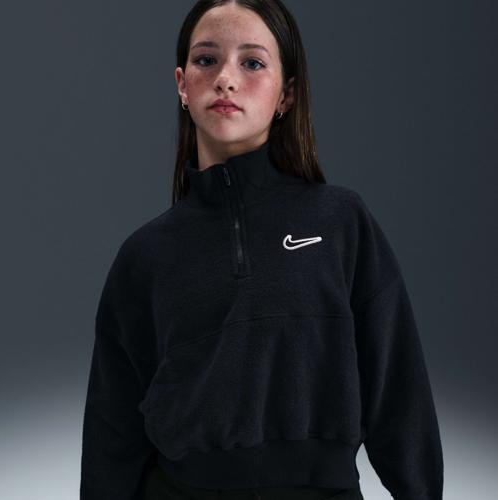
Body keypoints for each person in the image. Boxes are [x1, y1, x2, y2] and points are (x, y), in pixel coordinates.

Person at [79, 0, 444, 499]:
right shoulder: (143, 255)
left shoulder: (340, 222)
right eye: (207, 60)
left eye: (252, 62)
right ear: (183, 85)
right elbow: (112, 435)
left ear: (286, 94)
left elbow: (399, 390)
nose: (226, 79)